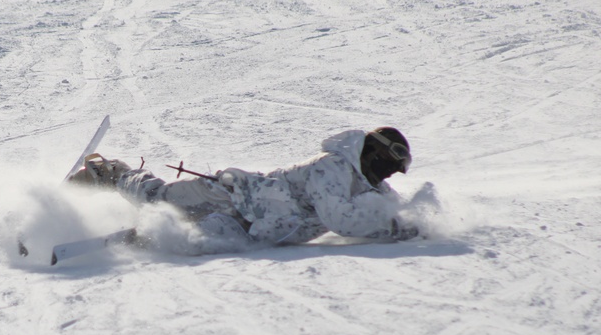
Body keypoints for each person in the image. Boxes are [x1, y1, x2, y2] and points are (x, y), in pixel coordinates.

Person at [68, 127, 421, 246]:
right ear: (373, 153)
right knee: (158, 197)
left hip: (250, 226)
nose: (387, 177)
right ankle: (112, 173)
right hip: (234, 193)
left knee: (193, 239)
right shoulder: (331, 168)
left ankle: (141, 237)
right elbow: (341, 220)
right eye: (388, 167)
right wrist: (392, 225)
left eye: (392, 174)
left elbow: (388, 212)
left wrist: (411, 224)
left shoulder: (370, 191)